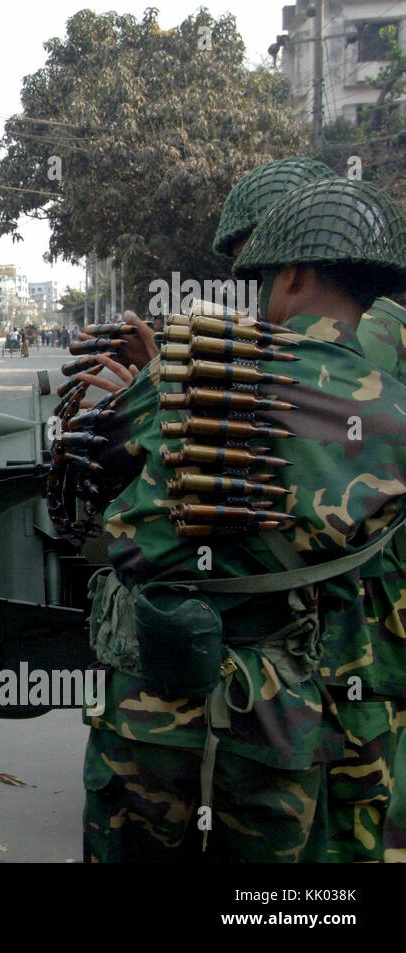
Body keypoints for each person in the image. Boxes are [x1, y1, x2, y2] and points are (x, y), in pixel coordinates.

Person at [83, 176, 406, 862]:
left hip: (155, 698)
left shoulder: (190, 372)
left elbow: (94, 466)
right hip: (288, 712)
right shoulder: (395, 414)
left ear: (290, 273)